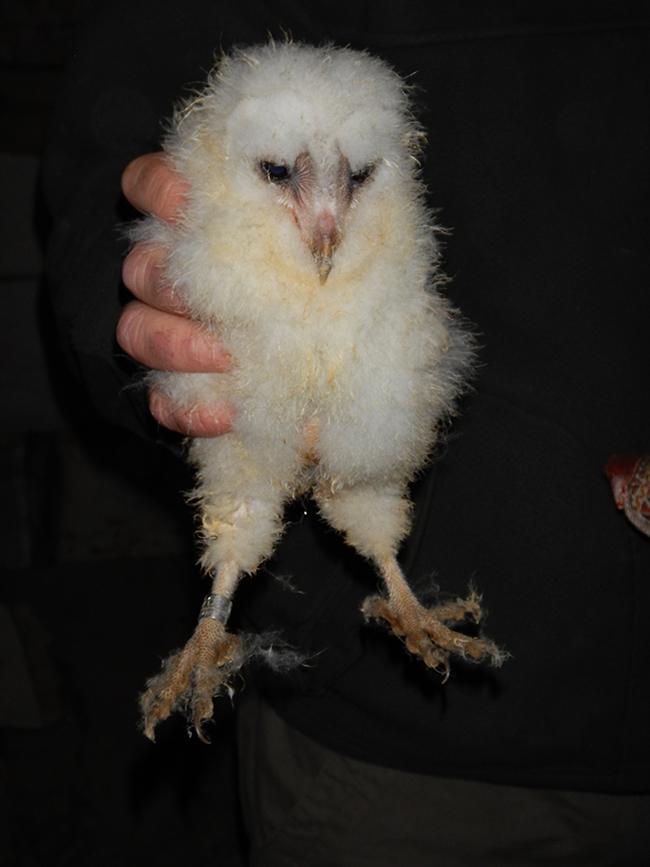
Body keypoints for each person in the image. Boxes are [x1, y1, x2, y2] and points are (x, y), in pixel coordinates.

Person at [45, 2, 650, 864]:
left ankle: (397, 586)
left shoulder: (393, 247)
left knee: (369, 454)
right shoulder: (218, 223)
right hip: (393, 762)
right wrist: (127, 295)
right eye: (280, 174)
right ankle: (216, 612)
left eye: (356, 179)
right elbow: (103, 167)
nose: (323, 216)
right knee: (242, 466)